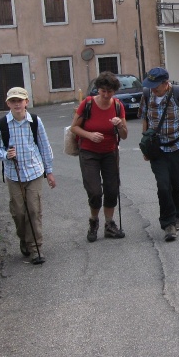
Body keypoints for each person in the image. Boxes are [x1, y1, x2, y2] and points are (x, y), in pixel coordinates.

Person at [0, 87, 56, 264]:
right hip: (14, 174)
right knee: (19, 212)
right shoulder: (2, 124)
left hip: (34, 171)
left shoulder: (35, 121)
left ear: (26, 102)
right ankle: (24, 239)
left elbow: (44, 146)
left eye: (20, 100)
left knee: (34, 210)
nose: (17, 104)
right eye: (13, 101)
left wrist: (48, 172)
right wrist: (6, 155)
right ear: (8, 104)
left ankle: (36, 248)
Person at [70, 71, 128, 242]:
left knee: (112, 189)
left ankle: (109, 224)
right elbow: (74, 127)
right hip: (89, 152)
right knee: (95, 191)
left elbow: (124, 135)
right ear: (98, 90)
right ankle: (94, 221)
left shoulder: (118, 106)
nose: (105, 95)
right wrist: (89, 135)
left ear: (114, 92)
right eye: (103, 91)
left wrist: (119, 126)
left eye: (109, 92)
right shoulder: (87, 104)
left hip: (110, 152)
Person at [140, 67, 179, 242]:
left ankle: (178, 213)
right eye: (151, 85)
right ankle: (168, 223)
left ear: (166, 84)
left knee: (176, 184)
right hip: (158, 149)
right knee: (163, 186)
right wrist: (145, 146)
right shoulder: (147, 95)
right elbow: (145, 119)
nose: (153, 89)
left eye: (156, 86)